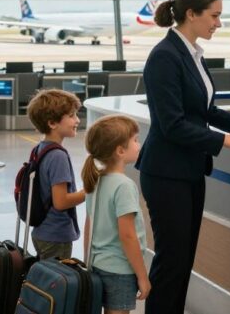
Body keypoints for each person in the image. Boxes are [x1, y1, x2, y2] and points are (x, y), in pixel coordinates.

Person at [137, 0, 230, 313]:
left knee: (182, 263)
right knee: (171, 264)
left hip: (190, 170)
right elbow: (172, 124)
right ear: (191, 14)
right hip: (167, 173)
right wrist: (226, 140)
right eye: (214, 15)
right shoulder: (165, 57)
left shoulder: (192, 54)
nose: (218, 23)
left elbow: (204, 109)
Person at [82, 115, 150, 313]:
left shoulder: (95, 180)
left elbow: (89, 226)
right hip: (120, 270)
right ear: (120, 151)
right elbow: (127, 236)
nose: (139, 144)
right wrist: (142, 276)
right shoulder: (124, 186)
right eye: (135, 140)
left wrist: (88, 263)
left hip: (97, 265)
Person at [26, 89, 86, 261]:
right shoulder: (58, 156)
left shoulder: (40, 149)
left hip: (42, 230)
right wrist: (88, 191)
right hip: (56, 235)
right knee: (55, 285)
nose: (77, 120)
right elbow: (60, 202)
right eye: (72, 115)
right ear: (52, 123)